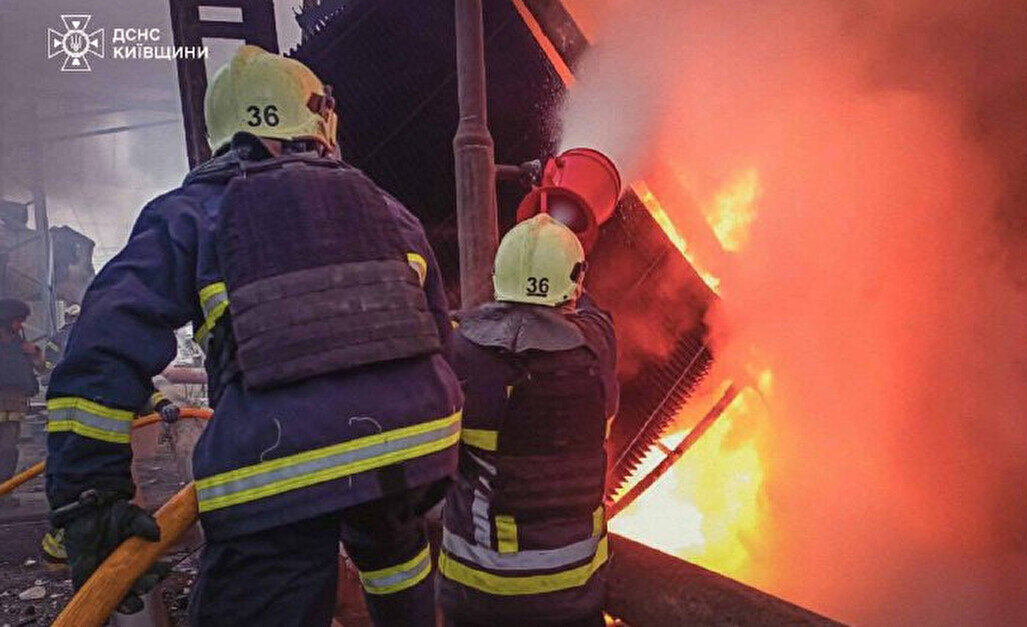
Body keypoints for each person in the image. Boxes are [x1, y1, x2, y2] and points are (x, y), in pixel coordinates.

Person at [45, 45, 462, 624]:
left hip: (277, 465)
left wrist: (88, 495)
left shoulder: (194, 213)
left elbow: (103, 341)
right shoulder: (389, 211)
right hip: (415, 446)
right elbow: (439, 337)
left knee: (266, 583)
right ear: (316, 121)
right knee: (395, 546)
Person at [437, 214, 618, 627]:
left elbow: (467, 326)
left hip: (476, 592)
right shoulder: (599, 346)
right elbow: (590, 310)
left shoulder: (458, 353)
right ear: (574, 282)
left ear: (498, 277)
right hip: (571, 593)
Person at [0, 298, 41, 481]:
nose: (20, 326)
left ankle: (4, 486)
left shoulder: (21, 345)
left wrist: (35, 354)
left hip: (15, 403)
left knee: (7, 448)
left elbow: (42, 368)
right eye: (18, 320)